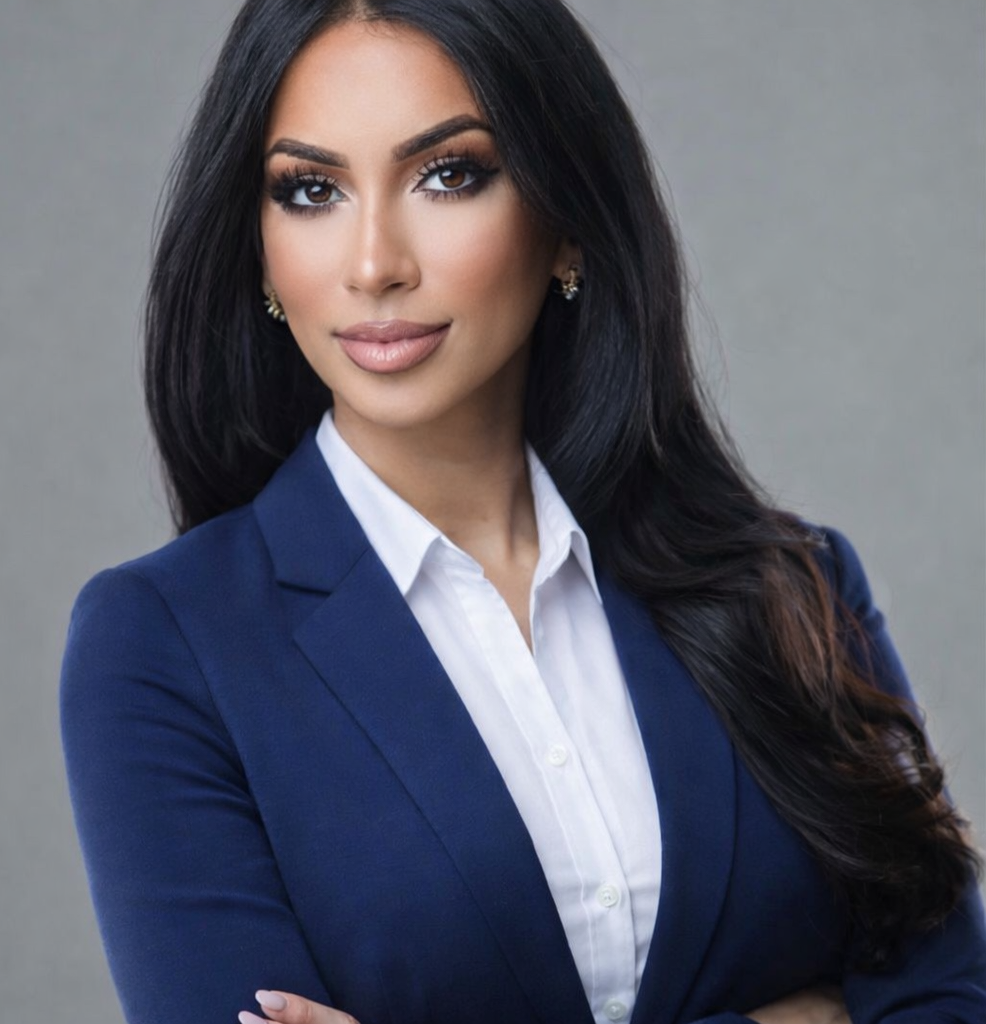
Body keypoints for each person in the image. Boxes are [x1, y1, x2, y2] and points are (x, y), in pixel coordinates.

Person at [59, 2, 986, 1023]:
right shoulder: (166, 645)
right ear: (261, 247)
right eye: (311, 190)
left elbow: (950, 1001)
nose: (373, 264)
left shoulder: (791, 586)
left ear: (565, 221)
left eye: (448, 175)